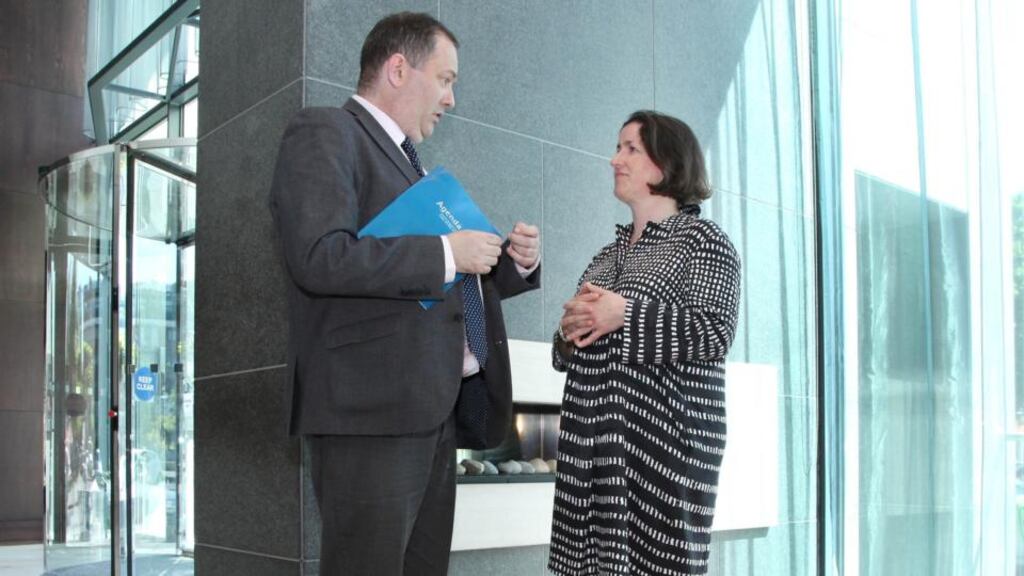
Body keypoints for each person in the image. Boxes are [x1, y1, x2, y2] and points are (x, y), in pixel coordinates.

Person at [268, 12, 541, 575]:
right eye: (445, 80)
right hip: (370, 414)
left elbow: (422, 282)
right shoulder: (325, 131)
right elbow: (319, 257)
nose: (451, 99)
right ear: (398, 68)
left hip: (429, 414)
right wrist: (447, 252)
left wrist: (508, 266)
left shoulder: (410, 167)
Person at [548, 110, 741, 575]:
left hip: (662, 453)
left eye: (630, 148)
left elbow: (715, 331)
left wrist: (625, 313)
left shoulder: (703, 241)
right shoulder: (605, 256)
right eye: (618, 147)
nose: (615, 159)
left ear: (666, 163)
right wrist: (567, 335)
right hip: (590, 449)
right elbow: (566, 350)